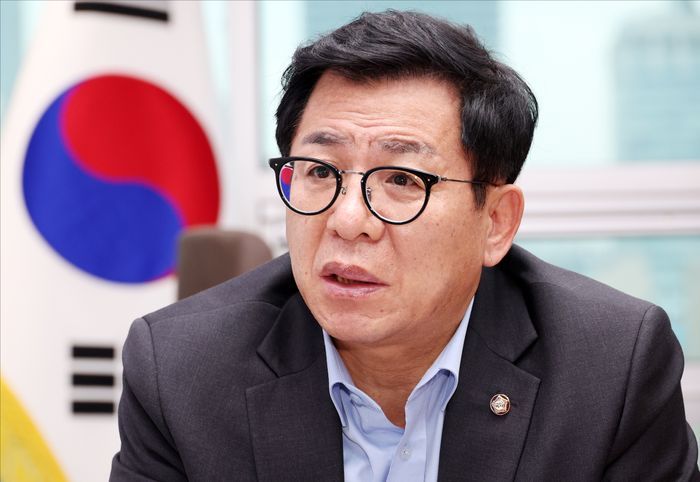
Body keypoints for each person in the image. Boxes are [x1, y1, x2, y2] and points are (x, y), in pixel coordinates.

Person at [110, 10, 699, 482]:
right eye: (319, 171)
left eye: (401, 179)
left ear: (496, 222)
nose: (348, 221)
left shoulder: (610, 369)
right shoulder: (181, 370)